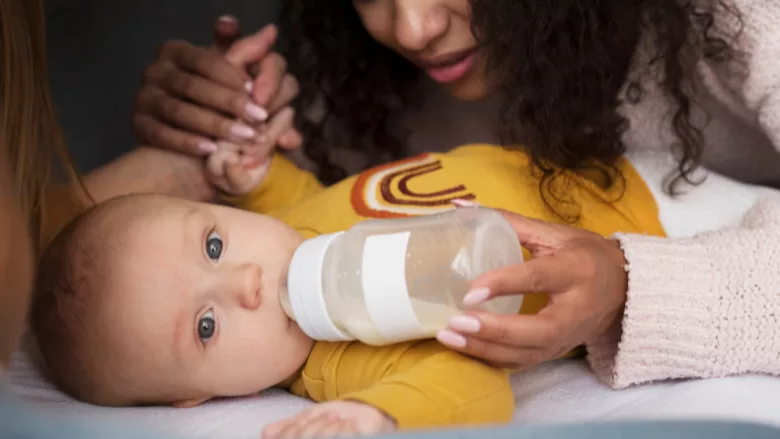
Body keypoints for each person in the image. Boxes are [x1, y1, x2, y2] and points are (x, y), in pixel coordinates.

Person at [135, 0, 780, 388]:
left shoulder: (746, 17)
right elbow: (299, 208)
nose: (412, 28)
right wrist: (214, 122)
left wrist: (628, 288)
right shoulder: (380, 79)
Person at [30, 135, 671, 437]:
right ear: (197, 397)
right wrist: (379, 414)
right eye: (206, 325)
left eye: (214, 245)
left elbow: (310, 199)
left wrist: (257, 177)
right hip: (653, 236)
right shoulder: (342, 355)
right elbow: (468, 387)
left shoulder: (288, 234)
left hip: (613, 161)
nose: (247, 283)